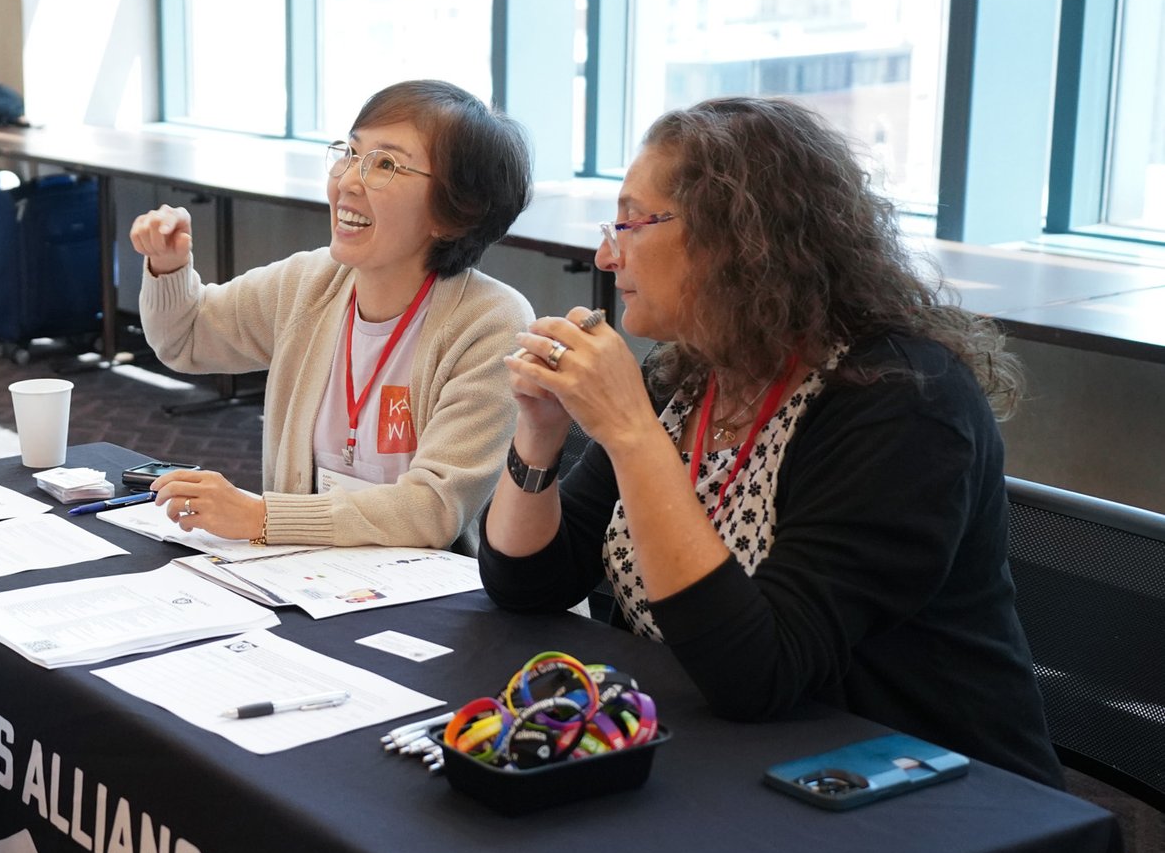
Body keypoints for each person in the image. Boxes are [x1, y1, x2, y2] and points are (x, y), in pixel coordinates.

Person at [479, 96, 1061, 784]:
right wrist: (540, 431)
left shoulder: (903, 403)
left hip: (922, 786)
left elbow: (759, 672)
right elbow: (528, 585)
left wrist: (632, 436)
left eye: (630, 223)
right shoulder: (690, 372)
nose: (607, 256)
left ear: (735, 238)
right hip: (727, 752)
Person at [124, 80, 535, 547]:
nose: (348, 181)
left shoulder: (491, 324)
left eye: (385, 164)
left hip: (430, 585)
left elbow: (433, 508)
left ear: (453, 212)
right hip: (304, 574)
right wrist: (169, 265)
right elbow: (186, 338)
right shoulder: (310, 283)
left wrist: (262, 517)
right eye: (350, 154)